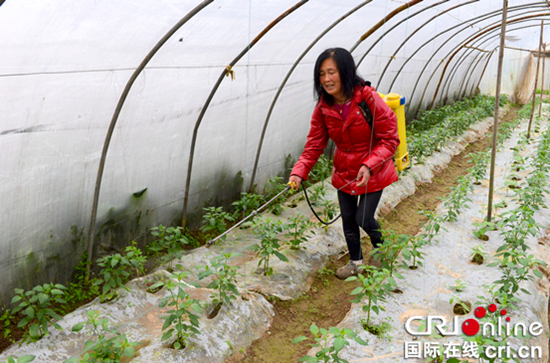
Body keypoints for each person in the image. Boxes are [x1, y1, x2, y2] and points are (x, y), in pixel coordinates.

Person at [288, 47, 400, 279]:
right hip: (345, 170)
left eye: (332, 72)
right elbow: (314, 145)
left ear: (345, 72)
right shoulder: (323, 107)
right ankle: (355, 262)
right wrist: (299, 172)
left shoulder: (368, 99)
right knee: (348, 219)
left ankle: (382, 247)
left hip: (374, 169)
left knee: (363, 218)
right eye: (321, 74)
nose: (326, 79)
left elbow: (390, 139)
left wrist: (369, 164)